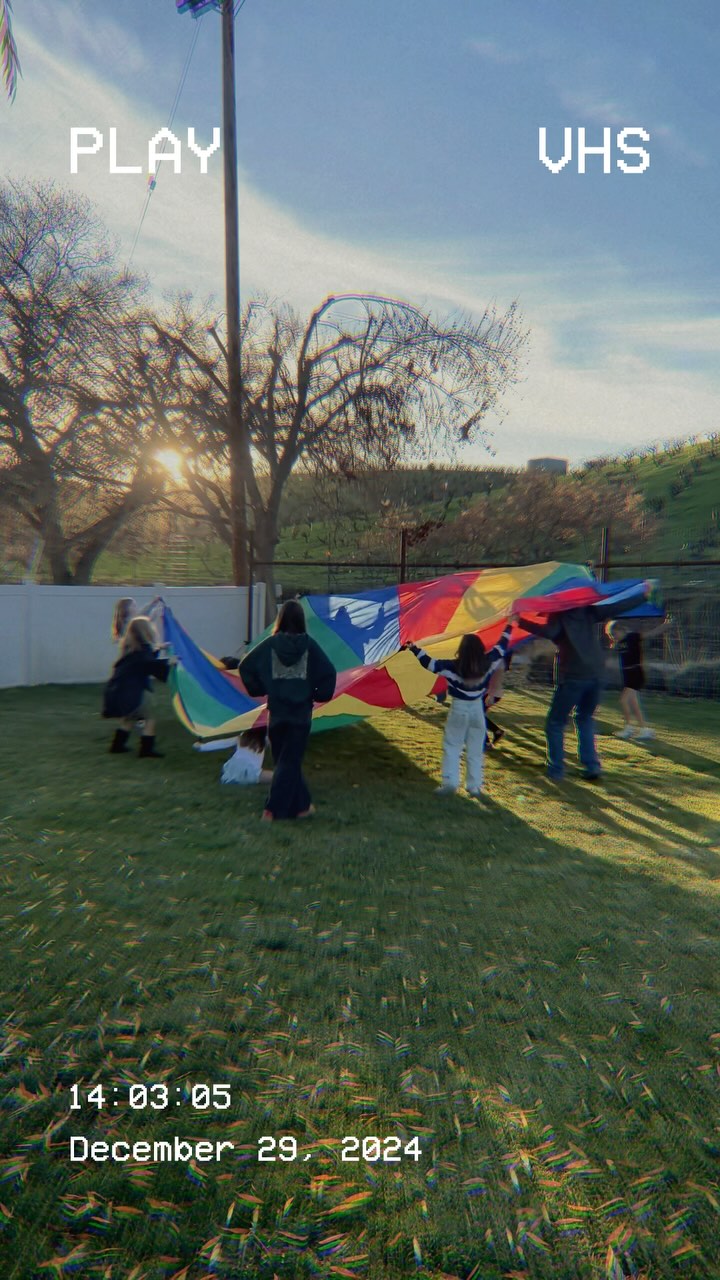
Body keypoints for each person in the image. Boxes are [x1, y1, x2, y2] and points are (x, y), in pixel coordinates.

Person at [516, 582, 652, 782]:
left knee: (555, 722)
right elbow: (616, 607)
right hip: (597, 673)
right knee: (585, 718)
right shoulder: (588, 610)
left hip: (573, 674)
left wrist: (519, 621)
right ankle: (591, 766)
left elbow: (550, 632)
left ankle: (556, 770)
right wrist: (643, 596)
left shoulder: (560, 614)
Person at [238, 600, 336, 821]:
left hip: (277, 714)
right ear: (301, 620)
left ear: (280, 619)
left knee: (286, 761)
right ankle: (272, 810)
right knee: (288, 762)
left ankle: (302, 808)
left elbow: (246, 666)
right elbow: (329, 673)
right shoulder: (310, 647)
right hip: (300, 716)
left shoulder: (270, 645)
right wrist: (317, 695)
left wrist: (261, 689)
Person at [403, 620, 514, 796]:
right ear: (480, 648)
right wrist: (510, 625)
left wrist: (414, 648)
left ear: (461, 649)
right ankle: (474, 786)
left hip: (459, 710)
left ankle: (450, 782)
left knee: (452, 747)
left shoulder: (452, 666)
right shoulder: (488, 663)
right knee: (476, 750)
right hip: (478, 710)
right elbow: (501, 647)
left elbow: (429, 664)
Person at [102, 616, 171, 757]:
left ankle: (117, 746)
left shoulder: (130, 648)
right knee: (149, 718)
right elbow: (150, 664)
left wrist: (158, 649)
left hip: (118, 690)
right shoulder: (141, 651)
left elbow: (146, 660)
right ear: (146, 632)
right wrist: (170, 663)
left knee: (130, 718)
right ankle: (146, 750)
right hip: (128, 692)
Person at [606, 616, 670, 741]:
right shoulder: (619, 643)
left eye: (614, 634)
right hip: (627, 675)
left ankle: (629, 728)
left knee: (624, 700)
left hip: (636, 673)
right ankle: (644, 730)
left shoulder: (633, 637)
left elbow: (651, 634)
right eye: (611, 636)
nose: (614, 637)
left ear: (620, 630)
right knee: (634, 704)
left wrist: (665, 625)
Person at [483, 651, 512, 750]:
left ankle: (487, 742)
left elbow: (496, 678)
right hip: (490, 692)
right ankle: (496, 732)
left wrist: (490, 695)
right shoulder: (499, 655)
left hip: (491, 693)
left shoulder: (499, 658)